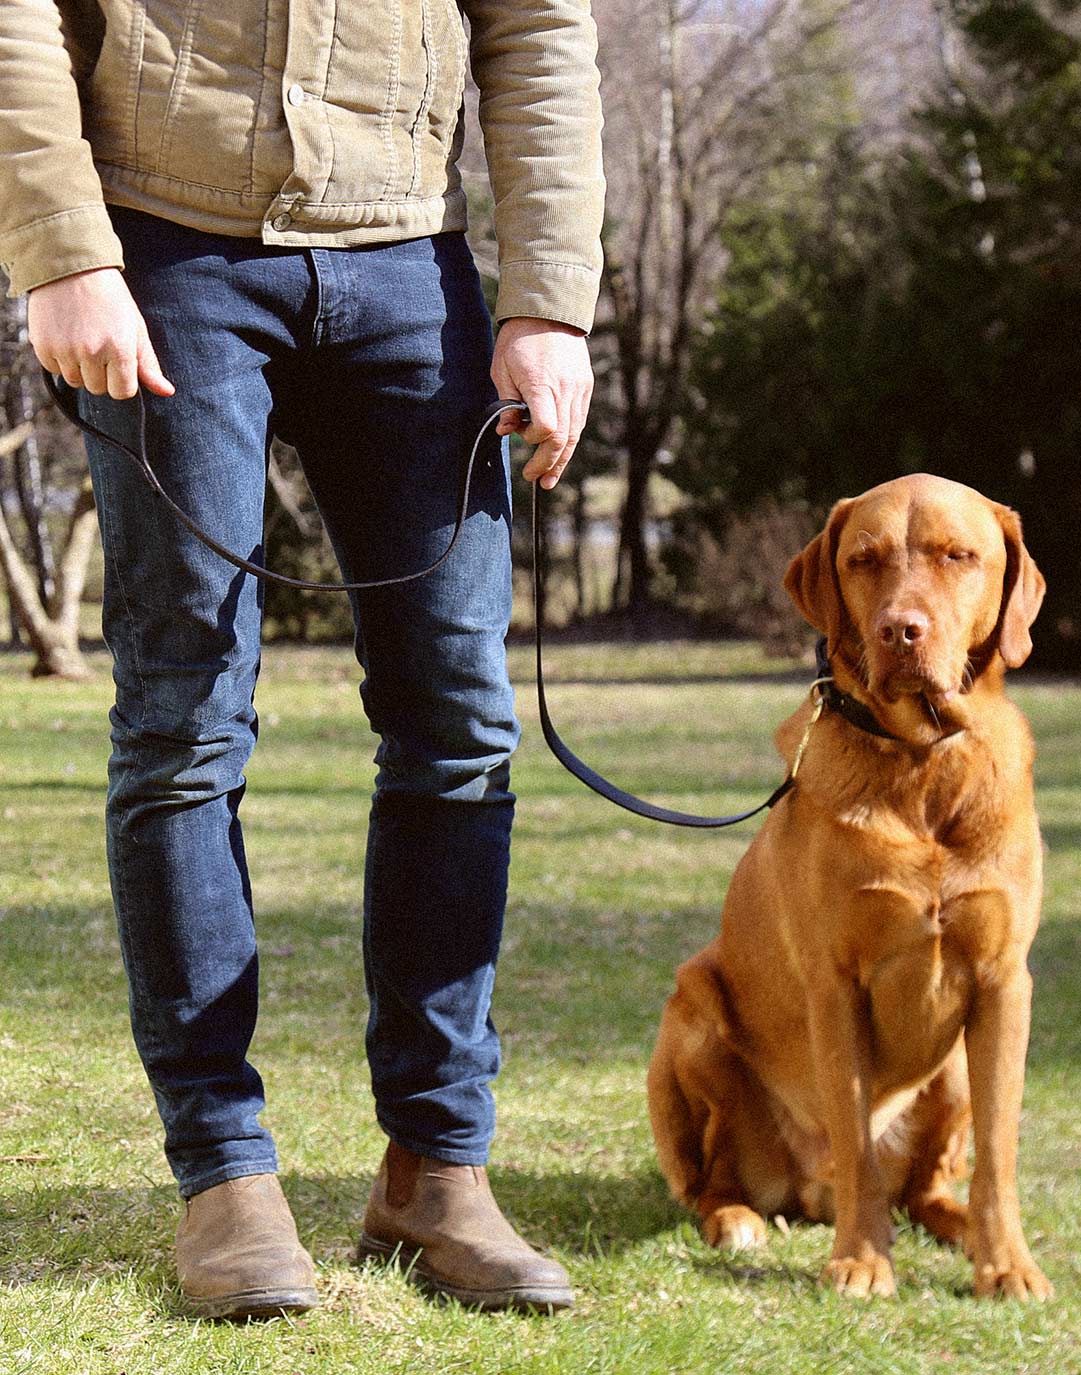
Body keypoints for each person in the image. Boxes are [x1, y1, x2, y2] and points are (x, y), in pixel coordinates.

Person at [0, 0, 604, 1319]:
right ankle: (224, 1177)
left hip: (409, 258)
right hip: (160, 245)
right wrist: (56, 250)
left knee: (461, 719)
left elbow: (542, 27)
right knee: (185, 723)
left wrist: (553, 301)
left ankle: (437, 1169)